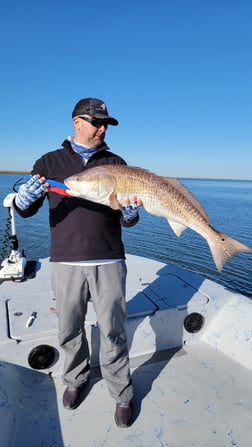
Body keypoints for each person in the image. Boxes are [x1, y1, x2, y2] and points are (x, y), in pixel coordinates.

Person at [14, 98, 142, 428]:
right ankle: (75, 379)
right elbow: (28, 207)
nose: (101, 128)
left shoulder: (116, 162)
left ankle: (122, 392)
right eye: (96, 121)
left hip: (109, 257)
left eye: (106, 124)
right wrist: (23, 201)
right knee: (69, 329)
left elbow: (128, 218)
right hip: (66, 260)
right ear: (76, 123)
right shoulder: (50, 161)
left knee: (113, 331)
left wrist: (130, 213)